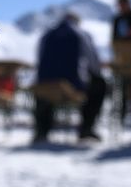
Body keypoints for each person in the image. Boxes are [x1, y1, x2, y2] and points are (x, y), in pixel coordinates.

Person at [34, 13, 106, 143]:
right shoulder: (81, 34)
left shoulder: (47, 34)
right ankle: (86, 128)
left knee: (44, 91)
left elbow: (39, 58)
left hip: (45, 86)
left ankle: (41, 130)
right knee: (100, 84)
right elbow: (93, 62)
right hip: (72, 86)